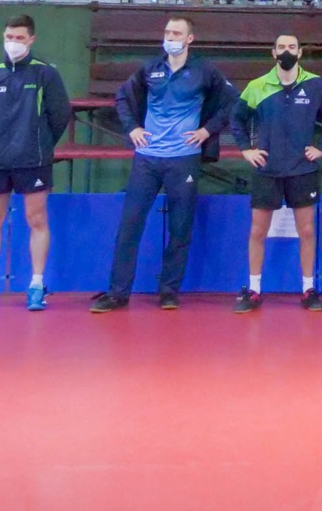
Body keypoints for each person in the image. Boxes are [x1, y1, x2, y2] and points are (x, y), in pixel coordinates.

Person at [92, 16, 236, 313]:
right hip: (147, 158)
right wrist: (132, 127)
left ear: (189, 39)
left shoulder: (204, 70)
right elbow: (123, 97)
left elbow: (231, 100)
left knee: (180, 228)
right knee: (130, 225)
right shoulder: (150, 68)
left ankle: (169, 292)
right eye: (168, 32)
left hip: (184, 158)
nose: (170, 37)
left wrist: (207, 131)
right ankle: (117, 293)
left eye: (177, 33)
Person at [0, 15, 72, 312]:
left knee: (36, 220)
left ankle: (36, 285)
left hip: (33, 160)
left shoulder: (45, 74)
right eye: (9, 37)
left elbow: (60, 116)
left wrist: (40, 145)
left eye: (20, 38)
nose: (14, 43)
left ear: (31, 39)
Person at [230, 33, 322, 313]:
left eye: (292, 47)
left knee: (307, 231)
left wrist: (321, 147)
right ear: (273, 53)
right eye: (281, 47)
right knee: (258, 231)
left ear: (300, 52)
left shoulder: (315, 85)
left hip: (302, 169)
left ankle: (308, 289)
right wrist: (246, 150)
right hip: (267, 169)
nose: (287, 51)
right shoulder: (257, 86)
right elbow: (236, 119)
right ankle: (254, 290)